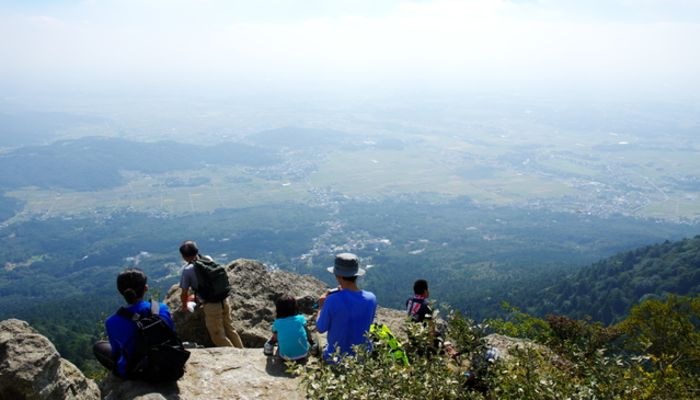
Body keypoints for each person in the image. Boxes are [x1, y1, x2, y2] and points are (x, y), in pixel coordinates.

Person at [93, 268, 175, 378]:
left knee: (99, 346)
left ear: (121, 292)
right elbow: (171, 333)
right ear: (146, 288)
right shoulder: (161, 308)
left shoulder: (112, 321)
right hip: (168, 366)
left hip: (137, 373)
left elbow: (116, 351)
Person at [179, 240, 243, 348]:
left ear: (184, 257)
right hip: (223, 299)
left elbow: (184, 293)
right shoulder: (208, 259)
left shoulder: (188, 270)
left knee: (218, 336)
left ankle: (236, 357)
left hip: (212, 305)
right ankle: (243, 353)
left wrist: (185, 306)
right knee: (230, 329)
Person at [316, 253, 377, 362]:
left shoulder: (332, 300)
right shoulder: (371, 298)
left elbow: (320, 329)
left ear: (337, 275)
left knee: (319, 336)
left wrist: (321, 307)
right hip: (361, 356)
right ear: (357, 274)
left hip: (336, 358)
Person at [264, 294, 317, 361]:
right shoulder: (301, 318)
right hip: (303, 354)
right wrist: (311, 341)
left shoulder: (277, 322)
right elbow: (307, 332)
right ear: (295, 307)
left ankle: (269, 348)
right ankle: (314, 348)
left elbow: (275, 334)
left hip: (285, 357)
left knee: (275, 335)